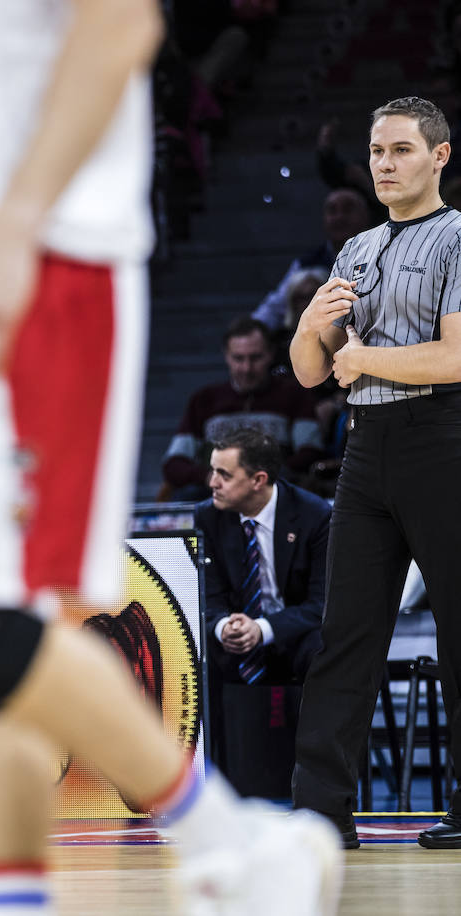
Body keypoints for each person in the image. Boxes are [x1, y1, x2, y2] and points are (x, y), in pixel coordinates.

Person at [0, 0, 342, 912]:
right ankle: (8, 898)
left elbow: (120, 26)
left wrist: (12, 229)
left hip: (35, 255)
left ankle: (232, 843)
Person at [288, 95, 461, 851]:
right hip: (366, 448)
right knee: (345, 634)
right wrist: (308, 325)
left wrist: (358, 360)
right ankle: (320, 812)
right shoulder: (355, 247)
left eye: (400, 151)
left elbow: (457, 357)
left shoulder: (458, 237)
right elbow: (305, 373)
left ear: (439, 156)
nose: (384, 165)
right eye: (377, 152)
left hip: (442, 438)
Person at [199, 428, 329, 686]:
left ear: (258, 480)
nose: (212, 482)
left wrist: (263, 629)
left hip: (293, 632)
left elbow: (322, 604)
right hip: (236, 633)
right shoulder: (208, 515)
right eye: (213, 471)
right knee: (193, 647)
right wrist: (224, 626)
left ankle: (317, 728)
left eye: (223, 474)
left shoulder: (314, 515)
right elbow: (207, 595)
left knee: (322, 648)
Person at [162, 317, 324, 500]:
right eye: (238, 358)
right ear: (226, 356)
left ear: (271, 353)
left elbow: (311, 452)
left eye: (255, 358)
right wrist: (209, 477)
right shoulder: (204, 400)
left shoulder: (294, 395)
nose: (246, 368)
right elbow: (174, 463)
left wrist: (265, 475)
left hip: (274, 491)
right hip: (215, 495)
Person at [252, 188, 372, 331]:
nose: (339, 217)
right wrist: (252, 331)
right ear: (324, 219)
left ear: (366, 216)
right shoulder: (306, 264)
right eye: (332, 211)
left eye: (348, 210)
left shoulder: (380, 255)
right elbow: (274, 308)